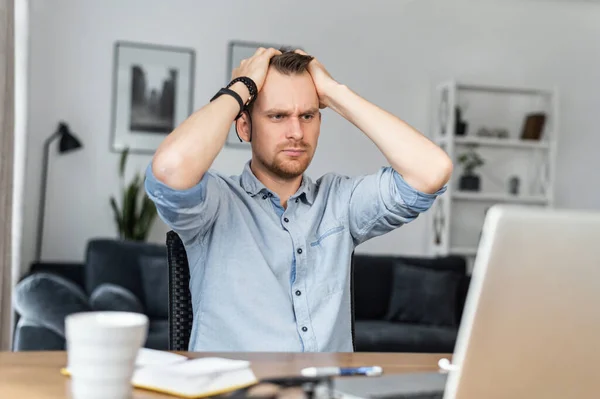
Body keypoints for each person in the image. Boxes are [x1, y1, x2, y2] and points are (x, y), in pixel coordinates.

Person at [145, 48, 453, 352]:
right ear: (244, 125)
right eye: (277, 116)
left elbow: (432, 171)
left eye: (307, 115)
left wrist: (334, 92)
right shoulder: (214, 205)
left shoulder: (339, 203)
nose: (296, 132)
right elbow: (172, 169)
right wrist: (240, 87)